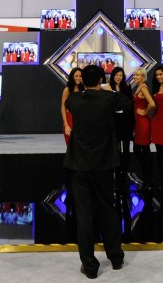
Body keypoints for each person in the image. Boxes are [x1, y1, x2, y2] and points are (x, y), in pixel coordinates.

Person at [64, 65, 128, 278]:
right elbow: (126, 102)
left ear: (83, 81)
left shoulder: (74, 100)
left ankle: (90, 267)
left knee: (84, 216)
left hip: (79, 166)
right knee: (108, 210)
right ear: (102, 79)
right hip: (103, 166)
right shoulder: (109, 98)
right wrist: (108, 89)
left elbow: (68, 102)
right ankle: (116, 258)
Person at [61, 67, 84, 145]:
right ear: (72, 77)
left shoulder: (84, 90)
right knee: (70, 145)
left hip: (81, 120)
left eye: (80, 76)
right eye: (76, 76)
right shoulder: (67, 90)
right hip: (69, 119)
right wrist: (66, 125)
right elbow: (63, 107)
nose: (78, 78)